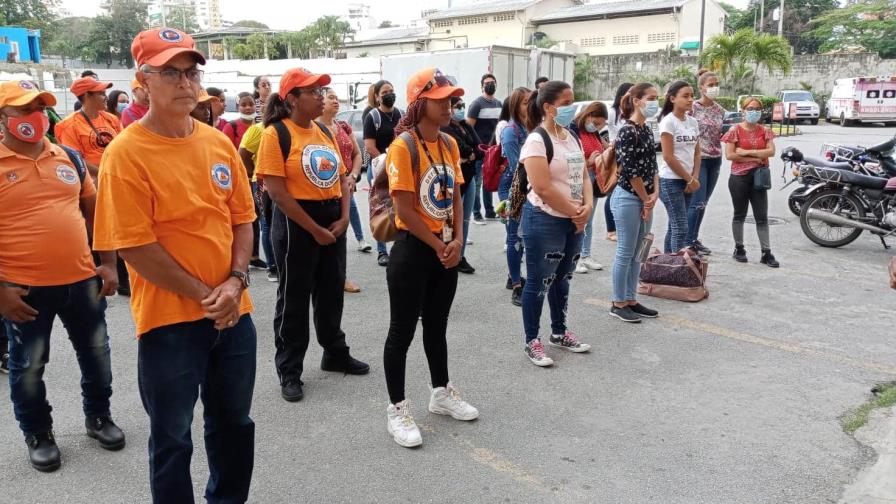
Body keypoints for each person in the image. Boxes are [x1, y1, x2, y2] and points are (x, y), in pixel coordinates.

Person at [93, 28, 258, 502]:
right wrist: (208, 295)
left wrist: (236, 281)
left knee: (233, 426)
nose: (186, 83)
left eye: (191, 72)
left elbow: (243, 220)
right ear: (141, 81)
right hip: (170, 324)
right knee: (172, 438)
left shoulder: (218, 142)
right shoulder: (125, 154)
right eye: (170, 72)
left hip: (234, 314)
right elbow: (136, 247)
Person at [0, 79, 123, 472]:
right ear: (3, 118)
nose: (34, 117)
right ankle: (39, 434)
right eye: (23, 109)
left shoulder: (66, 157)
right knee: (29, 366)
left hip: (82, 280)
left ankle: (99, 418)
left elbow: (97, 210)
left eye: (40, 107)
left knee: (97, 355)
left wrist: (108, 262)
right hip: (23, 289)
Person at [256, 67, 370, 403]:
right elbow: (276, 191)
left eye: (322, 91)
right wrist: (314, 229)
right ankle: (289, 370)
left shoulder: (323, 130)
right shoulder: (276, 134)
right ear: (292, 98)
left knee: (332, 291)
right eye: (313, 92)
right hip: (296, 224)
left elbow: (341, 178)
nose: (321, 97)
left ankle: (334, 352)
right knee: (293, 300)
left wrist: (345, 216)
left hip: (332, 218)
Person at [383, 67, 478, 448]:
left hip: (444, 247)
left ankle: (441, 392)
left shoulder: (449, 144)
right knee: (401, 332)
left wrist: (457, 240)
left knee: (437, 325)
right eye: (441, 99)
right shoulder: (403, 146)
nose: (449, 105)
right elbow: (404, 210)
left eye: (451, 99)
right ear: (420, 102)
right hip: (413, 250)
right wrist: (440, 245)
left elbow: (455, 194)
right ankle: (397, 408)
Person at [518, 80, 593, 367]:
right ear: (549, 108)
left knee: (563, 278)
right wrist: (576, 211)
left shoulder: (570, 136)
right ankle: (532, 340)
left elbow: (584, 175)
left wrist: (585, 207)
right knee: (539, 281)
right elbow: (542, 187)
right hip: (545, 220)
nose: (571, 108)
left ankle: (559, 332)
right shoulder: (537, 141)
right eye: (565, 103)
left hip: (573, 219)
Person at [609, 82, 661, 324]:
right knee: (625, 251)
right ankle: (618, 302)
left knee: (639, 253)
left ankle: (631, 299)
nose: (655, 102)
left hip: (645, 199)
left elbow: (652, 165)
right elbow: (630, 171)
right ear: (637, 100)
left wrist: (655, 193)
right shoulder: (627, 131)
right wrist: (645, 199)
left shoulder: (647, 129)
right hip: (629, 198)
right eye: (651, 98)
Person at [318, 86, 368, 293]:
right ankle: (325, 278)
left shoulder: (343, 126)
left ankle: (340, 277)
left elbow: (357, 155)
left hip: (346, 186)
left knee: (340, 234)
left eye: (337, 98)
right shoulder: (313, 128)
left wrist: (353, 176)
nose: (336, 101)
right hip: (325, 189)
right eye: (331, 98)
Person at [721, 96, 779, 267]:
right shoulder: (734, 130)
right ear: (743, 111)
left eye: (757, 109)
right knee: (739, 214)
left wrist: (745, 152)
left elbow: (771, 152)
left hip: (759, 177)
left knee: (762, 216)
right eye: (750, 108)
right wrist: (755, 157)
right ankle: (739, 248)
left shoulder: (765, 130)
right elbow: (730, 155)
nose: (754, 112)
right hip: (739, 178)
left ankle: (766, 252)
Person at [658, 80, 701, 254]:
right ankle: (678, 267)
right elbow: (668, 156)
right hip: (670, 181)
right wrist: (688, 178)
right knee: (681, 227)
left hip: (688, 181)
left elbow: (697, 152)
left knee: (674, 225)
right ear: (673, 98)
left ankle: (668, 265)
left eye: (692, 95)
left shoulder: (692, 122)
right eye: (685, 96)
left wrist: (694, 177)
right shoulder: (668, 122)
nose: (690, 99)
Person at [363, 79, 402, 267]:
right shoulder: (372, 117)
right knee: (381, 207)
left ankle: (399, 246)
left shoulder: (401, 115)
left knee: (399, 205)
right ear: (377, 96)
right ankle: (381, 251)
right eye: (385, 92)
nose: (389, 94)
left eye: (392, 90)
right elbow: (369, 146)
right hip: (379, 168)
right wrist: (386, 161)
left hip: (398, 167)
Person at [442, 96, 481, 275]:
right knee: (450, 219)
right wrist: (469, 154)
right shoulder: (445, 128)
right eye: (457, 106)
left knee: (464, 219)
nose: (460, 109)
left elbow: (479, 148)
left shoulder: (464, 125)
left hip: (469, 175)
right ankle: (448, 250)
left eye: (462, 106)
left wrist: (470, 154)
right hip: (456, 178)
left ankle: (460, 254)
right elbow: (461, 149)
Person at [498, 87, 531, 306]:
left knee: (524, 237)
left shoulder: (530, 128)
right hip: (514, 187)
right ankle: (517, 286)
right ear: (515, 106)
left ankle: (514, 276)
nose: (530, 105)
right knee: (514, 238)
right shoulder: (511, 131)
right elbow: (516, 166)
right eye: (525, 102)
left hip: (529, 185)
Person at [687, 69, 725, 255]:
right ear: (701, 87)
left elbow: (721, 134)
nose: (714, 88)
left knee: (704, 202)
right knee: (697, 201)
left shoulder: (719, 110)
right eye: (710, 85)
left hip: (715, 159)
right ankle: (688, 241)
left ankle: (694, 238)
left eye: (716, 84)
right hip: (698, 159)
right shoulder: (692, 108)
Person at [55, 77, 121, 181]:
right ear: (87, 96)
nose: (107, 98)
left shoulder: (112, 119)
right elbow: (76, 159)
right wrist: (104, 174)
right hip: (93, 182)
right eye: (102, 94)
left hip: (118, 175)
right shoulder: (68, 125)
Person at [571, 101, 610, 274]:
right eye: (595, 123)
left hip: (593, 180)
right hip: (577, 179)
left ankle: (585, 254)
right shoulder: (573, 131)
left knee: (589, 219)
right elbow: (570, 163)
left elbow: (604, 148)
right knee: (578, 219)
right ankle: (574, 257)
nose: (596, 127)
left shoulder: (593, 134)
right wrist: (589, 162)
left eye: (600, 125)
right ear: (588, 115)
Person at [238, 121, 278, 282]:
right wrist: (253, 175)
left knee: (278, 222)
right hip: (262, 181)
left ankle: (280, 262)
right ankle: (272, 267)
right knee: (267, 223)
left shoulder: (287, 127)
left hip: (281, 181)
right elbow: (242, 155)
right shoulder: (258, 129)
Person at [467, 73, 502, 223]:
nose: (490, 85)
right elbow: (469, 127)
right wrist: (476, 147)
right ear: (482, 86)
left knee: (489, 181)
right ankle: (476, 213)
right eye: (487, 83)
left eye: (492, 82)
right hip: (480, 150)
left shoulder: (499, 104)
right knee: (477, 182)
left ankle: (489, 211)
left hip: (493, 151)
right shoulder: (477, 104)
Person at [604, 82, 634, 242]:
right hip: (617, 154)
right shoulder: (613, 112)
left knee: (625, 191)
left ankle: (622, 227)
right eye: (629, 92)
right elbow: (604, 131)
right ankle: (610, 230)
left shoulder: (633, 112)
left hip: (630, 156)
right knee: (613, 191)